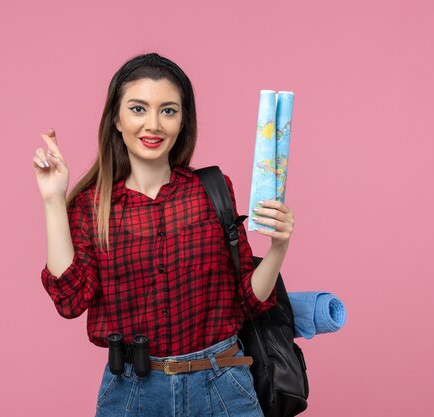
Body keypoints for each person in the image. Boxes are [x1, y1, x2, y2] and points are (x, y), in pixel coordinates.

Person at [33, 52, 295, 417]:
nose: (153, 124)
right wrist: (52, 201)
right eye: (138, 109)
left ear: (183, 120)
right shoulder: (92, 207)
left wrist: (279, 248)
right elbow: (71, 301)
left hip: (223, 385)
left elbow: (246, 300)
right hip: (131, 392)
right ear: (116, 118)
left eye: (168, 110)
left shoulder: (212, 191)